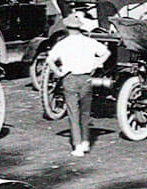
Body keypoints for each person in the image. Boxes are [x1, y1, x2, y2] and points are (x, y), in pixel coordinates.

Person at [46, 16, 110, 156]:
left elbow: (50, 60)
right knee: (85, 112)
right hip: (86, 78)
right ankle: (86, 142)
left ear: (67, 28)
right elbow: (106, 53)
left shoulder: (63, 44)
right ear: (80, 27)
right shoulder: (89, 42)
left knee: (73, 113)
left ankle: (78, 145)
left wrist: (58, 73)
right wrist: (95, 65)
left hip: (69, 78)